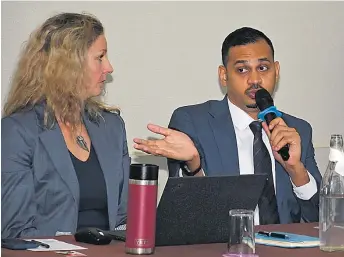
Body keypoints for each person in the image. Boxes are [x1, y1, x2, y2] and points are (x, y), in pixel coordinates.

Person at [133, 27, 322, 224]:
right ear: (224, 75)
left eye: (263, 68)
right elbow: (186, 216)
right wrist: (194, 165)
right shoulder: (193, 122)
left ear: (277, 71)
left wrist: (296, 170)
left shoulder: (298, 130)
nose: (255, 80)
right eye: (242, 70)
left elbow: (320, 220)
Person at [1, 12, 130, 238]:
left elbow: (123, 220)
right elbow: (15, 230)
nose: (109, 68)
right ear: (70, 65)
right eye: (100, 57)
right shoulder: (17, 131)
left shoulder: (112, 127)